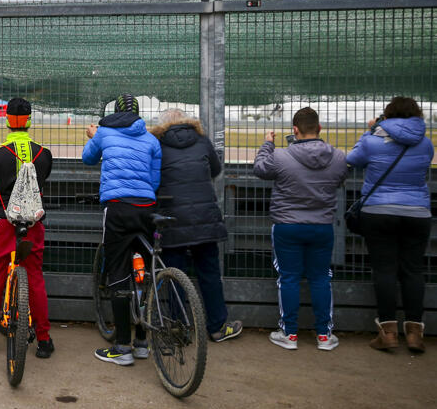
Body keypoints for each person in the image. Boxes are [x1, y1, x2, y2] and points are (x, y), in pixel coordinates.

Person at [253, 107, 347, 351]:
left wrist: (267, 145)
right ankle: (324, 335)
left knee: (289, 278)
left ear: (294, 130)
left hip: (287, 226)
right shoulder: (338, 156)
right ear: (320, 129)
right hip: (322, 226)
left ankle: (289, 333)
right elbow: (340, 179)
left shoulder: (282, 156)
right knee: (320, 278)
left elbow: (260, 169)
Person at [346, 97, 433, 353]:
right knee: (413, 270)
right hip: (418, 211)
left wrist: (371, 129)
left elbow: (352, 158)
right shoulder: (426, 143)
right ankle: (415, 333)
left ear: (387, 116)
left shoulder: (373, 140)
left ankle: (388, 333)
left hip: (379, 210)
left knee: (384, 269)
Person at [150, 109, 243, 342]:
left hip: (172, 217)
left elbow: (153, 179)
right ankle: (217, 326)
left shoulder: (158, 144)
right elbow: (216, 169)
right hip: (204, 217)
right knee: (209, 273)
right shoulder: (202, 141)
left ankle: (179, 329)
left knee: (174, 275)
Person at [84, 94, 161, 366]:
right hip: (147, 208)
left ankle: (121, 347)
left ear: (115, 112)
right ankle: (142, 342)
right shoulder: (152, 140)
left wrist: (93, 136)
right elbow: (154, 179)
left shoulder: (104, 132)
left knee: (118, 271)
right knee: (144, 274)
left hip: (117, 208)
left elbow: (87, 158)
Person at [0, 97, 54, 359]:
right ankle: (44, 339)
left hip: (1, 225)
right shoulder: (44, 154)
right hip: (32, 224)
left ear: (7, 120)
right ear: (29, 121)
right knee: (35, 278)